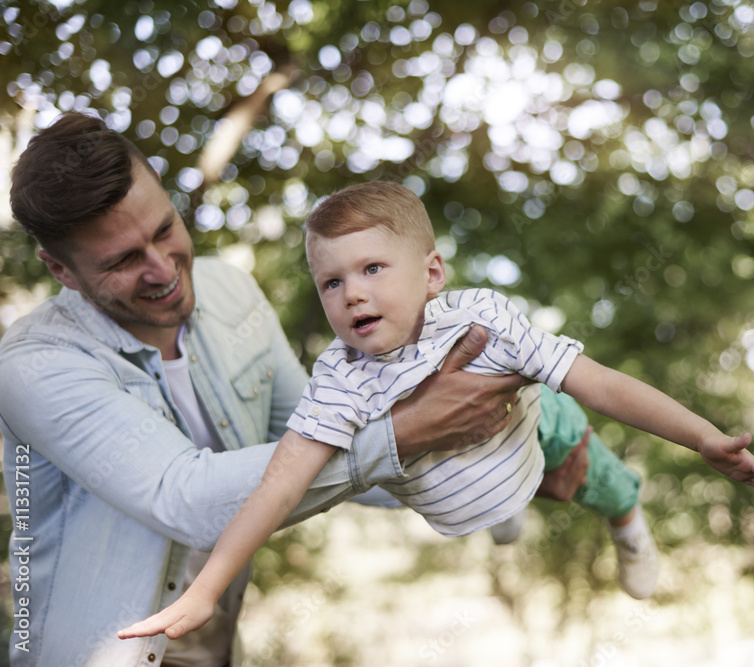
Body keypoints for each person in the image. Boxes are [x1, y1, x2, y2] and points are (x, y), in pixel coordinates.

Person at [0, 113, 584, 667]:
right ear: (62, 271)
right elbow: (187, 501)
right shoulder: (34, 366)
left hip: (218, 648)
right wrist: (410, 429)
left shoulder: (229, 292)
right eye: (124, 260)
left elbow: (327, 451)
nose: (163, 268)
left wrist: (499, 456)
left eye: (165, 229)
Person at [118, 181, 754, 642]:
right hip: (468, 475)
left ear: (432, 273)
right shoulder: (339, 380)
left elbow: (603, 385)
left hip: (535, 427)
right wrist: (208, 587)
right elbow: (280, 485)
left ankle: (627, 519)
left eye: (373, 268)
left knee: (602, 473)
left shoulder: (484, 320)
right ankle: (507, 508)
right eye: (332, 280)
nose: (352, 292)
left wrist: (703, 436)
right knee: (489, 493)